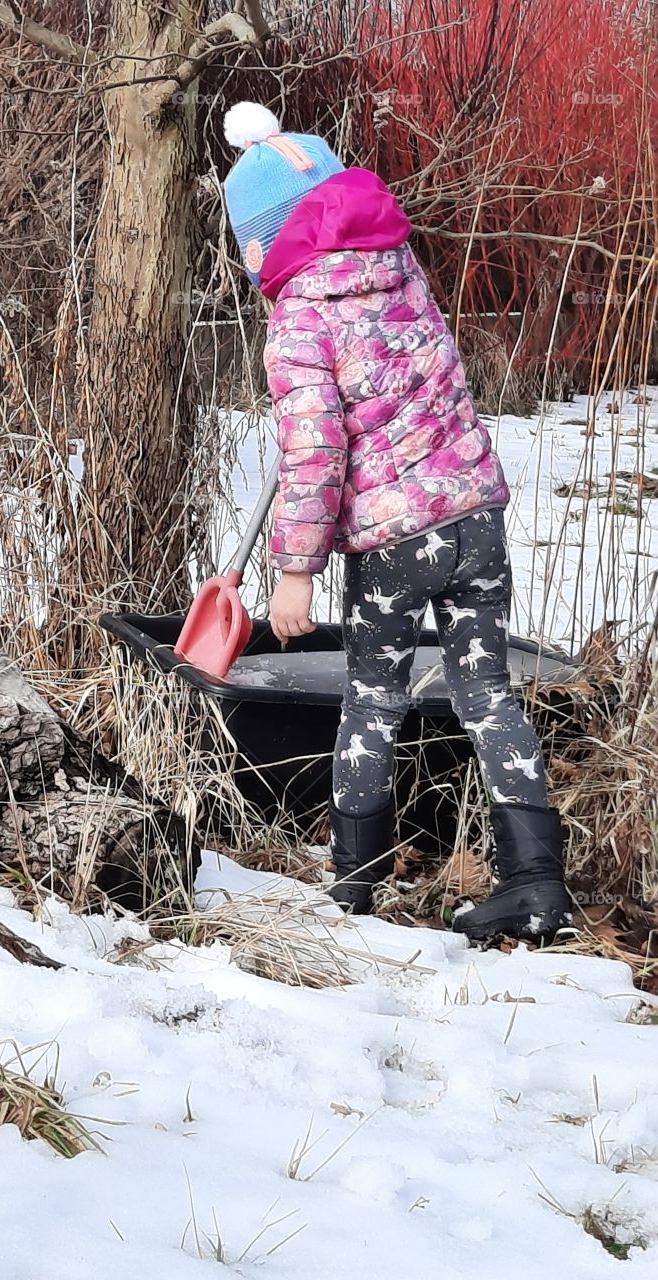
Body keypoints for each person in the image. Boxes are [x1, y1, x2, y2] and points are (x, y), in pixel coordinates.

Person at [221, 101, 573, 942]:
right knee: (486, 692)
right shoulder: (399, 268)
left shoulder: (298, 315)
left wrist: (296, 567)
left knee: (372, 698)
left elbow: (315, 449)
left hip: (395, 544)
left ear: (264, 242)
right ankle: (535, 885)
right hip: (476, 514)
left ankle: (355, 888)